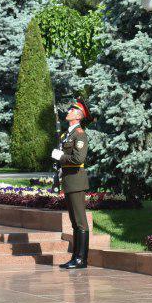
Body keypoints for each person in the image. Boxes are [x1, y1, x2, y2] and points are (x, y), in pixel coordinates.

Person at [52, 100, 92, 269]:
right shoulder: (66, 135)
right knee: (74, 221)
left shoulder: (79, 134)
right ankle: (76, 257)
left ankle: (81, 259)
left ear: (78, 116)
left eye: (72, 109)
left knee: (80, 221)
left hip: (76, 181)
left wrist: (60, 156)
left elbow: (78, 159)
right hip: (69, 181)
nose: (68, 111)